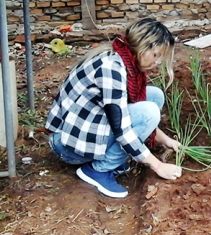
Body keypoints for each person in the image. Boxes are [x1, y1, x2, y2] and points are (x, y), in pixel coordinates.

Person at [45, 18, 184, 199]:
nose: (158, 62)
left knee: (154, 95)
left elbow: (123, 111)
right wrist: (158, 166)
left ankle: (117, 157)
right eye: (156, 55)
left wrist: (165, 140)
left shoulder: (120, 56)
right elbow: (122, 127)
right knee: (149, 112)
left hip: (81, 131)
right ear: (143, 48)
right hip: (68, 147)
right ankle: (98, 170)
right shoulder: (112, 69)